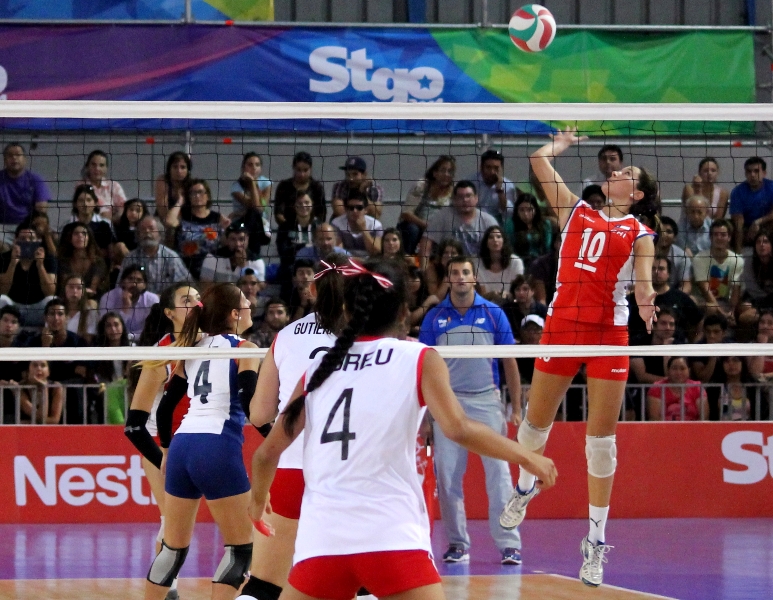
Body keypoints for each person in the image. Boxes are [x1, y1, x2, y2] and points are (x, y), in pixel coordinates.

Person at [248, 258, 556, 600]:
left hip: (323, 543)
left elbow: (265, 453)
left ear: (348, 309)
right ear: (402, 313)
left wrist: (257, 502)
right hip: (390, 537)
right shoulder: (417, 357)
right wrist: (526, 456)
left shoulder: (319, 368)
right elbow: (459, 429)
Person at [499, 127, 658, 588]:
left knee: (601, 442)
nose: (615, 171)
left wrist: (647, 301)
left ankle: (595, 541)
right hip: (562, 329)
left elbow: (644, 281)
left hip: (609, 334)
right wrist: (559, 146)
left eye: (626, 172)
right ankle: (524, 488)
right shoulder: (576, 210)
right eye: (616, 168)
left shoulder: (639, 232)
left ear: (637, 191)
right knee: (534, 426)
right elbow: (536, 160)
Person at [143, 283, 259, 600]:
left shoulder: (193, 349)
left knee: (173, 547)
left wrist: (166, 449)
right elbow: (252, 405)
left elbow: (166, 409)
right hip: (216, 445)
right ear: (234, 314)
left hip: (182, 445)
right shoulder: (246, 348)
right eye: (247, 301)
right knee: (240, 549)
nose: (252, 304)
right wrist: (278, 435)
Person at [239, 256, 345, 600]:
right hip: (346, 473)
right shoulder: (371, 342)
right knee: (357, 584)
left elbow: (257, 414)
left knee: (263, 587)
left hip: (289, 468)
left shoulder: (284, 336)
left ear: (312, 289)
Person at [419, 256, 523, 565]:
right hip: (447, 403)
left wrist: (515, 407)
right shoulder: (434, 318)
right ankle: (457, 544)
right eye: (455, 273)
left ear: (474, 278)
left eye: (466, 272)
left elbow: (510, 362)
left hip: (487, 402)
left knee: (500, 476)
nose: (461, 277)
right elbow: (423, 368)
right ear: (448, 280)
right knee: (447, 477)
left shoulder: (493, 314)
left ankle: (509, 544)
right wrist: (426, 416)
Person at [124, 282, 201, 600]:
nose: (196, 303)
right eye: (187, 299)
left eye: (198, 297)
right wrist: (161, 458)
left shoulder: (219, 345)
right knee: (172, 521)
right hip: (161, 444)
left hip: (203, 441)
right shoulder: (162, 354)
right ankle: (168, 590)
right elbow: (133, 426)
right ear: (169, 312)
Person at [24, 297, 90, 423]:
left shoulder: (78, 342)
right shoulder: (34, 341)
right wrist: (45, 347)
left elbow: (82, 372)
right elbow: (35, 372)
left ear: (66, 318)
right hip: (43, 388)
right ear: (45, 318)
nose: (56, 318)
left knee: (75, 389)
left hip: (67, 392)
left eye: (60, 314)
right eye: (51, 314)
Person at [419, 180, 499, 265]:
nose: (465, 200)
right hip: (448, 266)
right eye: (460, 197)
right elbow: (426, 242)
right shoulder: (443, 215)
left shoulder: (488, 221)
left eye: (468, 196)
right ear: (454, 200)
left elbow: (498, 247)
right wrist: (425, 270)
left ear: (476, 198)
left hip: (480, 268)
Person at [627, 257, 703, 343]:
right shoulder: (635, 298)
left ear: (669, 274)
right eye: (653, 269)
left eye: (661, 269)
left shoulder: (680, 297)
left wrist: (694, 344)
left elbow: (699, 321)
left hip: (675, 349)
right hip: (640, 349)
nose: (656, 272)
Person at [165, 178, 229, 279]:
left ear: (207, 195)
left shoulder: (217, 217)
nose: (197, 196)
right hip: (185, 268)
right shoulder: (183, 216)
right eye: (193, 193)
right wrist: (180, 201)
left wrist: (227, 230)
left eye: (200, 192)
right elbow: (169, 222)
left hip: (210, 268)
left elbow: (226, 243)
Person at [0, 222, 57, 326]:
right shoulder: (4, 258)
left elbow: (50, 292)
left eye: (31, 238)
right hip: (13, 309)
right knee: (1, 299)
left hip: (38, 310)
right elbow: (2, 291)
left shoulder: (48, 258)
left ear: (38, 241)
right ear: (15, 241)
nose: (26, 241)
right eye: (22, 238)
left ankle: (49, 337)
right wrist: (13, 263)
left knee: (52, 301)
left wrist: (40, 266)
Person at [119, 216, 192, 295]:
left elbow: (185, 285)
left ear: (159, 233)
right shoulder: (130, 258)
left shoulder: (171, 257)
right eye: (143, 229)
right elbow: (119, 287)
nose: (147, 232)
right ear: (138, 235)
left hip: (166, 304)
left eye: (151, 228)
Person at [691, 219, 744, 325]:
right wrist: (722, 314)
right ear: (710, 237)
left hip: (725, 301)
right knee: (710, 308)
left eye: (723, 235)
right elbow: (704, 290)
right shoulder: (699, 258)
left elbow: (735, 290)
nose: (719, 238)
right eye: (716, 234)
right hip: (703, 301)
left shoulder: (738, 260)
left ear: (729, 237)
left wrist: (731, 312)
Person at [398, 155, 455, 254]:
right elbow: (406, 213)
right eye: (443, 170)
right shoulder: (422, 186)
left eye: (449, 171)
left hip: (440, 229)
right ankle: (406, 258)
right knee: (412, 230)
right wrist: (427, 225)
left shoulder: (454, 191)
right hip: (416, 225)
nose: (446, 174)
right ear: (435, 173)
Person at [0, 143, 50, 243]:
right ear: (5, 160)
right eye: (10, 155)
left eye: (18, 155)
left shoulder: (36, 180)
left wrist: (30, 228)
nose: (14, 158)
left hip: (28, 227)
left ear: (25, 159)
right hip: (2, 227)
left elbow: (41, 209)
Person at [277, 191, 320, 298]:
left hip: (315, 265)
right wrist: (304, 246)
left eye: (306, 202)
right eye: (299, 203)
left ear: (312, 204)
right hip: (292, 266)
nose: (303, 206)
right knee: (288, 272)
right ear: (294, 206)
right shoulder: (285, 226)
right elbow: (283, 251)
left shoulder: (319, 225)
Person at [99, 265, 160, 339]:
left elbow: (153, 330)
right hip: (115, 342)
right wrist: (125, 308)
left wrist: (129, 337)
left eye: (139, 280)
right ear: (122, 282)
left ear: (145, 285)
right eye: (130, 279)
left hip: (144, 342)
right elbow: (105, 328)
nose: (134, 284)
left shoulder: (152, 300)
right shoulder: (108, 297)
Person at [200, 222, 266, 288]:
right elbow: (205, 286)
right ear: (227, 239)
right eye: (233, 239)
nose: (237, 244)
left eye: (241, 239)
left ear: (247, 239)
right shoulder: (212, 257)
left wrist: (244, 268)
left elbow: (260, 287)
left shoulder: (256, 261)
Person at [730, 156, 773, 254]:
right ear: (745, 173)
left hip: (766, 225)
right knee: (729, 227)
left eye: (756, 171)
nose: (752, 175)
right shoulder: (737, 192)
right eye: (749, 171)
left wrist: (758, 222)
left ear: (764, 173)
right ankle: (736, 258)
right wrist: (738, 252)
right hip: (746, 228)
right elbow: (738, 220)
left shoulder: (771, 187)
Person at [57, 222, 108, 298]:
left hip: (91, 299)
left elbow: (92, 290)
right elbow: (67, 288)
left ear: (89, 238)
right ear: (70, 239)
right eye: (76, 233)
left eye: (84, 233)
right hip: (68, 298)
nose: (80, 236)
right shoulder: (64, 261)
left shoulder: (98, 262)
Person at [646, 357, 707, 421]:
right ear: (668, 370)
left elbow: (704, 417)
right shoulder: (657, 387)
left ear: (689, 370)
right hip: (664, 429)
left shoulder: (697, 387)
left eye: (682, 368)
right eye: (674, 368)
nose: (678, 372)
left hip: (694, 429)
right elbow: (655, 418)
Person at [274, 152, 326, 226]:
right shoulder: (284, 186)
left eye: (305, 170)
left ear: (310, 169)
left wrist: (309, 227)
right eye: (298, 170)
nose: (302, 174)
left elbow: (321, 214)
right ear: (293, 168)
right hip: (288, 229)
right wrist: (290, 227)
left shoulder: (317, 187)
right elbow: (278, 213)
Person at [66, 184, 116, 261]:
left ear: (95, 203)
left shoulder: (104, 225)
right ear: (75, 204)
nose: (85, 204)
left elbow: (110, 251)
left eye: (89, 200)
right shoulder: (68, 226)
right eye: (81, 200)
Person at [505, 194, 553, 272]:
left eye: (529, 210)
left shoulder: (545, 224)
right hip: (519, 265)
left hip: (541, 265)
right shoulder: (511, 224)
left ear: (535, 210)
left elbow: (547, 248)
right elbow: (509, 248)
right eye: (522, 210)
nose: (526, 214)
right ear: (517, 211)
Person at [77, 149, 127, 223]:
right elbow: (82, 209)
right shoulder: (81, 185)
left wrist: (112, 219)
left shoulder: (114, 185)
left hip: (114, 225)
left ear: (106, 168)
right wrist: (100, 217)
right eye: (93, 165)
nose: (97, 169)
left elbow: (123, 207)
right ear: (87, 166)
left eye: (101, 165)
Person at [475, 225, 524, 300]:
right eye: (491, 237)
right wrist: (492, 295)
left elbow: (517, 291)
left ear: (504, 240)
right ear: (486, 242)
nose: (495, 240)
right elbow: (481, 296)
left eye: (498, 237)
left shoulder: (516, 262)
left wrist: (507, 295)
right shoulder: (478, 263)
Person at [737, 230, 773, 330]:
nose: (761, 245)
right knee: (744, 314)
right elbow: (750, 290)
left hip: (769, 302)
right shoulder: (748, 262)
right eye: (758, 242)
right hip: (758, 300)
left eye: (766, 242)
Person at [468, 149, 516, 223]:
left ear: (501, 169)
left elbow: (508, 213)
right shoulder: (471, 182)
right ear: (481, 167)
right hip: (473, 220)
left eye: (496, 168)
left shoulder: (508, 185)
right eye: (488, 167)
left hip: (497, 222)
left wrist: (499, 189)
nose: (492, 172)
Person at [330, 193, 384, 257]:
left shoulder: (375, 225)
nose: (355, 211)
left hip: (370, 261)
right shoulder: (337, 223)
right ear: (346, 209)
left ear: (366, 210)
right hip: (346, 260)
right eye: (351, 208)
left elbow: (376, 251)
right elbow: (338, 251)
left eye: (359, 208)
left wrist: (364, 230)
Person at [330, 156, 384, 220]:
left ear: (364, 175)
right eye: (348, 174)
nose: (351, 179)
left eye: (355, 174)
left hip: (367, 224)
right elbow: (339, 212)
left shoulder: (375, 188)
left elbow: (376, 215)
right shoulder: (340, 186)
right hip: (343, 224)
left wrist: (363, 191)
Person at [501, 275, 548, 341]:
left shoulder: (543, 310)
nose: (521, 293)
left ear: (533, 291)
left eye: (525, 289)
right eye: (518, 289)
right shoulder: (507, 310)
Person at [19, 360, 63, 425]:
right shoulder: (20, 387)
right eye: (35, 365)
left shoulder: (56, 387)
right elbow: (40, 418)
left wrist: (44, 388)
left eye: (43, 365)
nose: (39, 368)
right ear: (28, 370)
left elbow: (54, 420)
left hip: (51, 431)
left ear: (48, 372)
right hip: (26, 432)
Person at [231, 152, 271, 221]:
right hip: (242, 222)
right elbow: (256, 208)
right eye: (250, 165)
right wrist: (252, 183)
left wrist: (237, 213)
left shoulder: (266, 182)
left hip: (261, 222)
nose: (254, 168)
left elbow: (260, 209)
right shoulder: (236, 186)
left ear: (261, 168)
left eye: (257, 165)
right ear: (243, 168)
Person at [656, 216, 691, 293]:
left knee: (692, 300)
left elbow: (686, 286)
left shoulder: (682, 257)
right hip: (647, 293)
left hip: (673, 294)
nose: (663, 235)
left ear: (675, 237)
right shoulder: (642, 253)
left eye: (668, 232)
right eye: (660, 231)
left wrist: (673, 298)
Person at [154, 152, 192, 222]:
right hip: (163, 221)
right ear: (169, 169)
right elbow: (162, 211)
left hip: (186, 221)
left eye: (183, 167)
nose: (179, 171)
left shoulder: (192, 184)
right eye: (175, 167)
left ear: (188, 170)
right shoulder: (163, 181)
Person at [62, 275, 99, 344]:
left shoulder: (90, 312)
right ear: (64, 289)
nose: (74, 291)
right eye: (71, 287)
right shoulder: (57, 310)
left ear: (83, 291)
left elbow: (88, 341)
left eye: (79, 288)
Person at [113, 198, 149, 265]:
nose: (133, 213)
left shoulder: (145, 230)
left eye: (138, 211)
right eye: (131, 210)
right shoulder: (119, 228)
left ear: (143, 213)